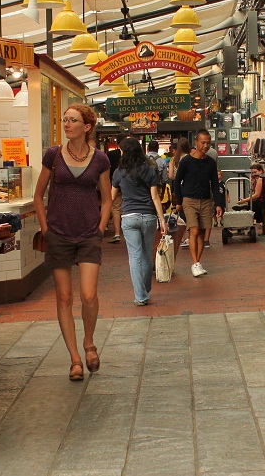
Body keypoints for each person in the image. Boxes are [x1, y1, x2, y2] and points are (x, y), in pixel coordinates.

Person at [35, 103, 112, 381]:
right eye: (65, 120)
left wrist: (101, 228)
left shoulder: (100, 159)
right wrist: (46, 229)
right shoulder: (53, 155)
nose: (67, 124)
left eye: (73, 120)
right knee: (64, 297)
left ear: (87, 126)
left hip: (89, 234)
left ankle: (89, 341)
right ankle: (75, 359)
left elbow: (107, 198)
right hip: (59, 233)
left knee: (89, 295)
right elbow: (38, 195)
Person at [111, 136, 167, 306]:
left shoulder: (119, 172)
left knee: (134, 256)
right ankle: (145, 287)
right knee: (147, 253)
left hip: (128, 217)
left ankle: (140, 295)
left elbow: (111, 197)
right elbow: (155, 197)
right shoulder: (150, 170)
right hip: (149, 216)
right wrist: (162, 219)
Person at [173, 129, 224, 276]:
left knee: (202, 233)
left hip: (206, 201)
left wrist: (218, 204)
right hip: (190, 200)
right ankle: (195, 263)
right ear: (196, 142)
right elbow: (177, 181)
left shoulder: (210, 162)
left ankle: (197, 262)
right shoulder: (186, 161)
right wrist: (179, 201)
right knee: (194, 230)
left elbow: (215, 183)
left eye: (208, 143)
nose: (205, 146)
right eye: (203, 142)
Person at [105, 138, 122, 243]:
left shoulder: (111, 155)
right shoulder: (134, 156)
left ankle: (117, 233)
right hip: (131, 186)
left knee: (116, 208)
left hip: (115, 184)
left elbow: (107, 171)